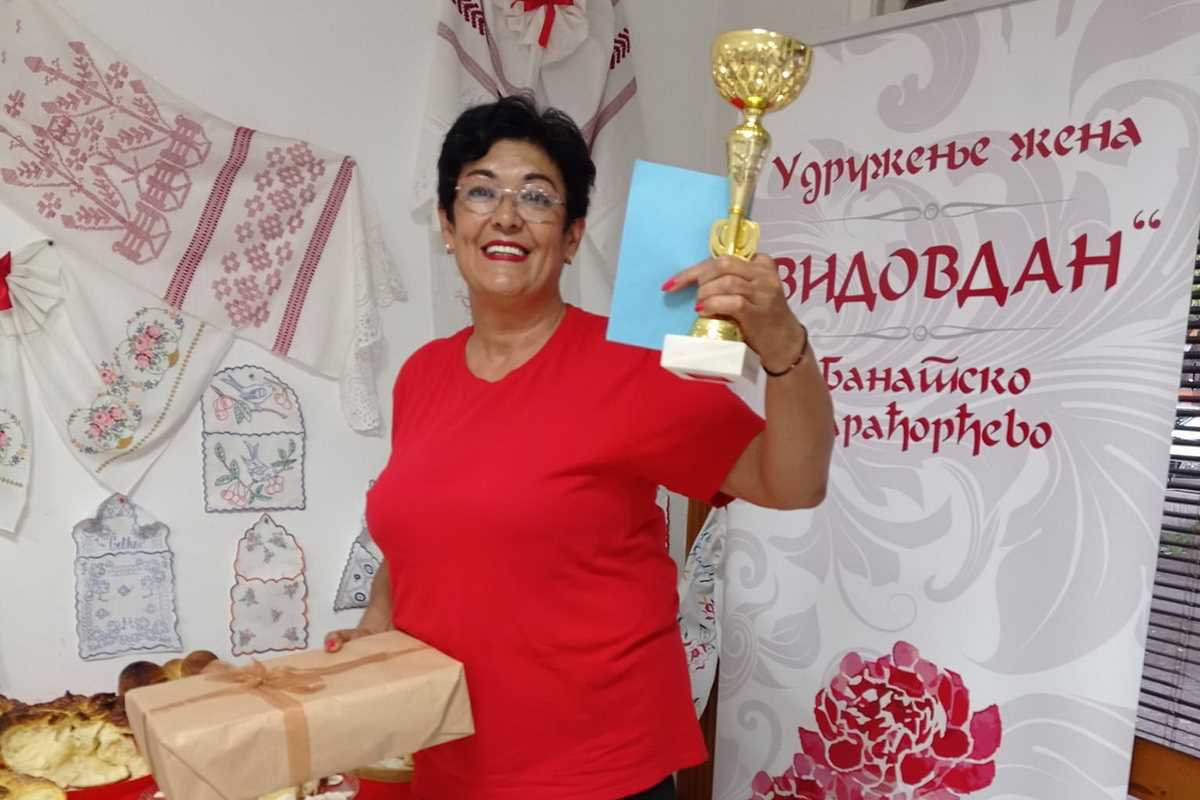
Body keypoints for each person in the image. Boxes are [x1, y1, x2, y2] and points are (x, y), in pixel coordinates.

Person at [325, 95, 834, 800]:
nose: (507, 215)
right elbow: (422, 530)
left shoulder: (632, 366)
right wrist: (378, 622)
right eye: (481, 191)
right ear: (447, 224)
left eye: (537, 197)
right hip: (442, 757)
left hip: (596, 771)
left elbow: (794, 482)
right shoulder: (421, 375)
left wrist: (783, 348)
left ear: (570, 238)